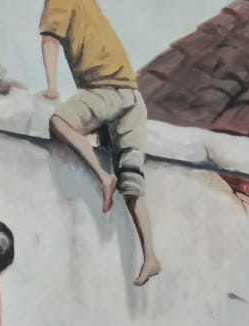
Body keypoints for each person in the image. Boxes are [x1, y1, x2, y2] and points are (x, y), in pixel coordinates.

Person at [39, 0, 160, 286]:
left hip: (104, 90)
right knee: (132, 181)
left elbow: (49, 41)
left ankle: (104, 177)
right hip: (132, 98)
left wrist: (52, 88)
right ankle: (150, 256)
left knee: (60, 122)